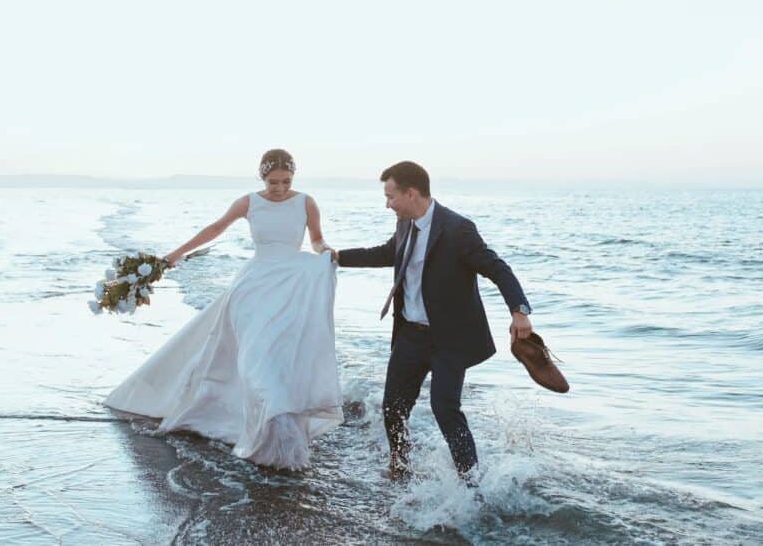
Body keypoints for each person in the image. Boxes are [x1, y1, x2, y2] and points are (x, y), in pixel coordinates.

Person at [104, 149, 342, 470]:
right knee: (253, 357)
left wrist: (325, 251)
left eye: (287, 181)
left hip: (290, 287)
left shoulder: (306, 202)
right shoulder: (249, 202)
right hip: (253, 287)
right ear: (262, 177)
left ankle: (279, 431)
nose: (281, 188)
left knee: (278, 358)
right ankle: (262, 425)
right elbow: (215, 229)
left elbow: (316, 239)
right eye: (274, 182)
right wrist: (175, 254)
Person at [334, 161, 533, 480]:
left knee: (445, 409)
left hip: (449, 339)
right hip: (410, 335)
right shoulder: (405, 224)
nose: (387, 204)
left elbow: (498, 268)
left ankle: (471, 481)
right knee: (393, 408)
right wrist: (338, 257)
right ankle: (400, 468)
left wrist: (519, 311)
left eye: (390, 196)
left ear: (411, 193)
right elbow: (387, 254)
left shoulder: (457, 229)